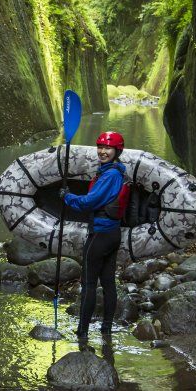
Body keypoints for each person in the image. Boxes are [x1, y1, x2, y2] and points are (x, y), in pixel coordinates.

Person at [61, 131, 127, 341]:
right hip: (112, 234)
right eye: (100, 147)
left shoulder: (110, 175)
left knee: (89, 284)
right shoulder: (114, 171)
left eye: (107, 148)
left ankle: (82, 332)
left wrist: (68, 197)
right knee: (108, 283)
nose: (102, 151)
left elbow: (90, 202)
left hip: (100, 235)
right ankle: (106, 330)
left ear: (117, 151)